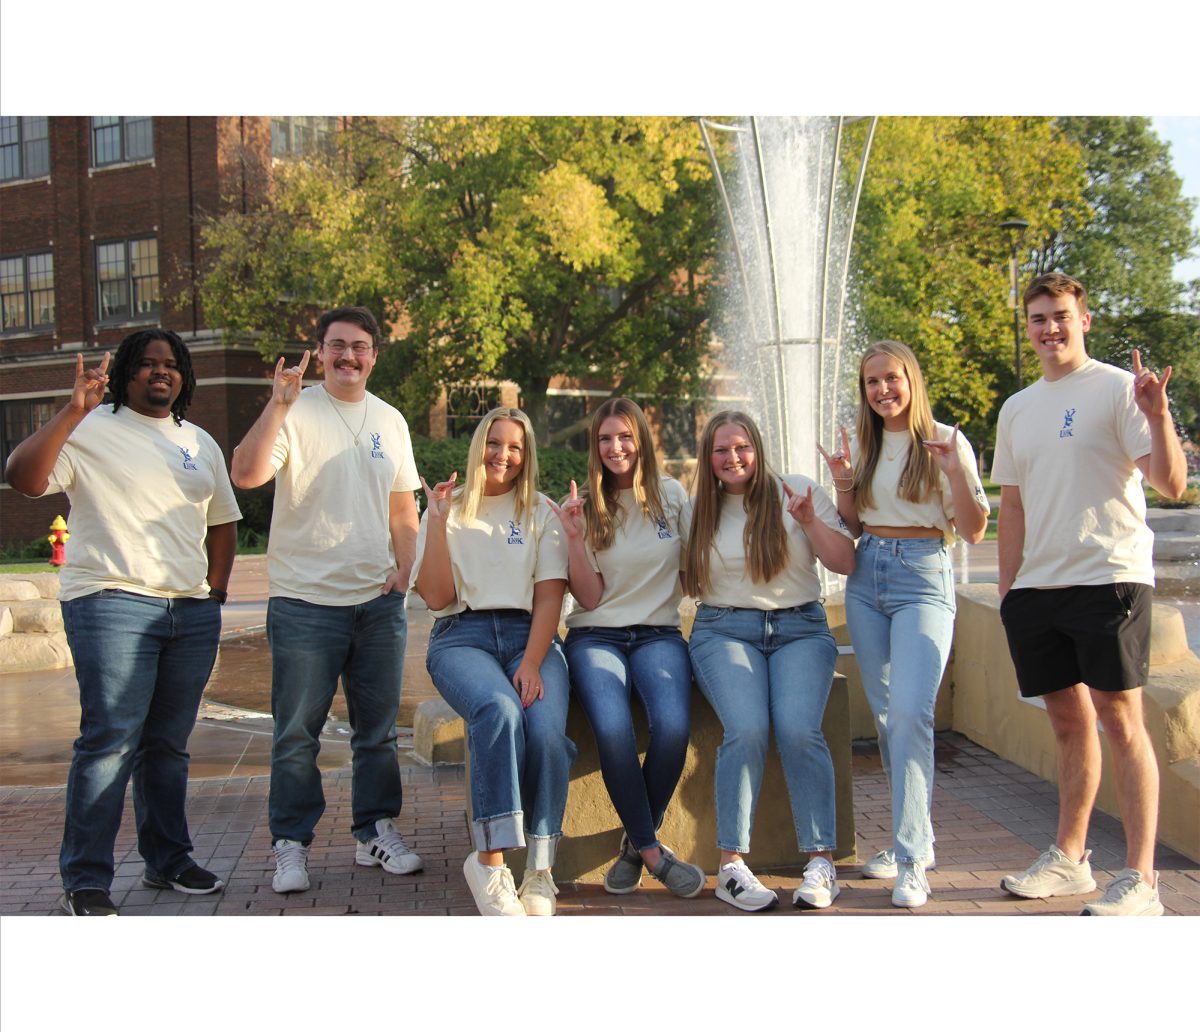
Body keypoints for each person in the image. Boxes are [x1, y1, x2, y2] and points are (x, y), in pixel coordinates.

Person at [6, 330, 240, 917]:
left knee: (167, 745)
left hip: (188, 611)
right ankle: (85, 878)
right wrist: (70, 409)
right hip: (110, 601)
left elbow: (222, 522)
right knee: (109, 742)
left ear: (183, 376)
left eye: (170, 365)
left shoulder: (199, 442)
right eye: (146, 364)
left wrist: (214, 593)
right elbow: (24, 478)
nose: (160, 373)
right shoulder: (89, 429)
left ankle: (168, 859)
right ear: (125, 374)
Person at [994, 272, 1187, 916]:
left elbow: (1171, 485)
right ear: (1029, 326)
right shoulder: (1017, 407)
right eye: (1039, 318)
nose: (1050, 328)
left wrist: (1159, 417)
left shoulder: (1117, 389)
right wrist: (1009, 591)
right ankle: (1071, 860)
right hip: (1039, 591)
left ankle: (1142, 880)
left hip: (1109, 578)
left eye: (1061, 316)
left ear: (1085, 320)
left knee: (1121, 722)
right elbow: (1013, 507)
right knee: (1070, 724)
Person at [231, 306, 422, 894]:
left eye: (359, 346)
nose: (348, 356)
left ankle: (374, 832)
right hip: (304, 603)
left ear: (374, 355)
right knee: (296, 735)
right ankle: (291, 844)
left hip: (376, 603)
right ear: (320, 350)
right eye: (337, 345)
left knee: (379, 732)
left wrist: (404, 572)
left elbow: (402, 508)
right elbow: (245, 474)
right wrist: (278, 404)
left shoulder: (390, 420)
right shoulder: (295, 411)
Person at [819, 340, 989, 908]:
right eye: (872, 382)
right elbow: (853, 524)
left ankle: (914, 858)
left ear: (911, 380)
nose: (882, 390)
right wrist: (843, 479)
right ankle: (905, 838)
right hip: (868, 579)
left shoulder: (945, 440)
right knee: (890, 717)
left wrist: (954, 473)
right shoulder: (867, 445)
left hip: (924, 577)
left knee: (913, 713)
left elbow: (973, 530)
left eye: (892, 378)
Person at [684, 410, 855, 912]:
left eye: (741, 447)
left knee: (800, 729)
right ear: (708, 458)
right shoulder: (699, 509)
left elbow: (844, 561)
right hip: (723, 631)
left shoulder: (796, 490)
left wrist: (807, 521)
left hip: (800, 629)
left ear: (757, 447)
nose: (732, 458)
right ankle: (732, 866)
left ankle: (821, 863)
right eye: (721, 450)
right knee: (748, 729)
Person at [414, 407, 574, 916]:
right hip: (462, 637)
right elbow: (437, 597)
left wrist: (531, 661)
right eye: (495, 443)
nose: (503, 455)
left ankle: (541, 871)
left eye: (515, 447)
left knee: (547, 731)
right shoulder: (448, 508)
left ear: (526, 456)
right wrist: (436, 524)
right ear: (479, 444)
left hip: (532, 637)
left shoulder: (541, 512)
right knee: (499, 710)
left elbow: (550, 597)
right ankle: (490, 862)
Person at [548, 398, 706, 899]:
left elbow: (690, 575)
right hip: (597, 635)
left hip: (658, 633)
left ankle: (635, 846)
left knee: (673, 728)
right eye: (604, 439)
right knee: (614, 729)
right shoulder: (584, 505)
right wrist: (573, 537)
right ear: (595, 447)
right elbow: (590, 598)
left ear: (641, 440)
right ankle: (654, 852)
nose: (615, 448)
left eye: (624, 437)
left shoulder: (672, 495)